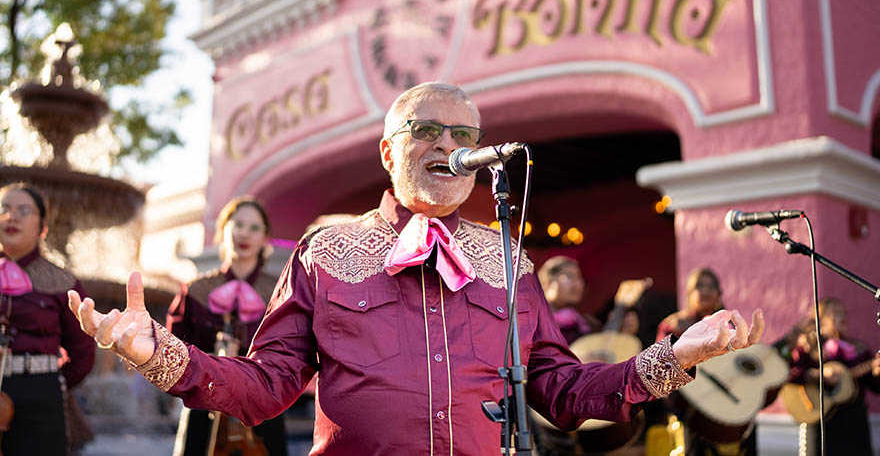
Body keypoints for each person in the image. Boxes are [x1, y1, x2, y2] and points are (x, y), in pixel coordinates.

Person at [68, 82, 764, 455]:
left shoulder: (508, 259)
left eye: (465, 134)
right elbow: (267, 386)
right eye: (427, 130)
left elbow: (563, 391)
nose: (450, 144)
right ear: (387, 153)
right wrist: (163, 355)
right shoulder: (327, 253)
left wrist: (675, 355)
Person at [166, 196, 287, 455]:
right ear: (224, 230)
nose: (245, 233)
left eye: (254, 228)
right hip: (205, 403)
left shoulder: (280, 291)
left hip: (263, 404)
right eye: (238, 224)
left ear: (265, 237)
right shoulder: (197, 290)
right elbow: (174, 349)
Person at [0, 182, 96, 455]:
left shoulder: (63, 281)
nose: (11, 216)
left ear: (43, 226)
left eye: (23, 210)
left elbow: (83, 350)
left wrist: (53, 382)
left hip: (41, 394)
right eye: (4, 209)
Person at [656, 267, 757, 456]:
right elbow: (661, 368)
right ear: (689, 293)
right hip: (688, 409)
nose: (705, 290)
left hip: (728, 403)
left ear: (719, 293)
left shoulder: (731, 326)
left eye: (711, 286)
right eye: (699, 286)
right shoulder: (673, 325)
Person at [787, 297, 880, 456]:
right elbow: (789, 374)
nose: (842, 317)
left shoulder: (859, 350)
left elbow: (876, 387)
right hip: (819, 420)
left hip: (854, 424)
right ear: (820, 319)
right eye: (835, 313)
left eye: (843, 313)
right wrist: (818, 374)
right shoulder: (808, 349)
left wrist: (877, 373)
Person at [537, 256, 600, 345]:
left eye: (579, 277)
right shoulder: (535, 323)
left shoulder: (588, 323)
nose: (577, 285)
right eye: (568, 277)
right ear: (547, 283)